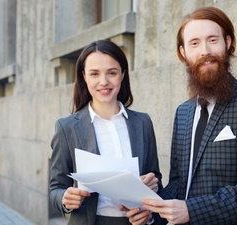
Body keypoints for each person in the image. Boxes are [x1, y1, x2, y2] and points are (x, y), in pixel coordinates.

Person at [125, 6, 237, 225]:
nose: (205, 50)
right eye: (195, 43)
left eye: (213, 40)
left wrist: (191, 210)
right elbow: (181, 183)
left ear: (228, 43)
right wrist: (152, 211)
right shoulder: (183, 112)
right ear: (183, 52)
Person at [49, 39, 162, 225]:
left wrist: (151, 205)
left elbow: (155, 179)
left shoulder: (143, 123)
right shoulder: (67, 128)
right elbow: (55, 189)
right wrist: (65, 198)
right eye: (95, 74)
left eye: (112, 73)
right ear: (84, 76)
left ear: (122, 74)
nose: (104, 82)